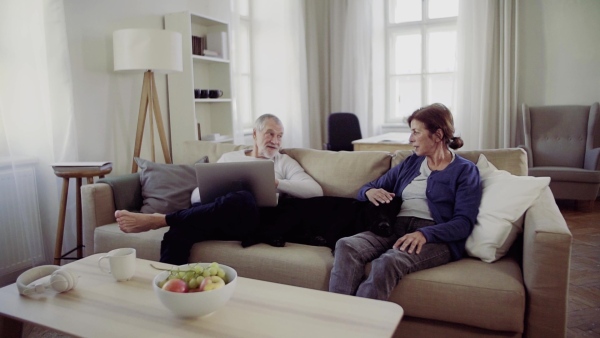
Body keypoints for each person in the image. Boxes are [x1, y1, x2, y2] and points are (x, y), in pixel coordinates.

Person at [115, 114, 323, 264]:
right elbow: (197, 195)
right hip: (217, 217)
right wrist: (208, 192)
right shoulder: (230, 158)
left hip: (252, 222)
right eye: (270, 134)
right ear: (254, 134)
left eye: (280, 135)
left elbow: (315, 191)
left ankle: (160, 219)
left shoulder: (283, 162)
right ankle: (170, 286)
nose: (276, 141)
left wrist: (277, 183)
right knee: (179, 231)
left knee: (242, 198)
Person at [328, 103, 482, 301]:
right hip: (395, 227)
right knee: (346, 245)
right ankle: (337, 316)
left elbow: (464, 223)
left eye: (416, 132)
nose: (410, 139)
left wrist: (424, 234)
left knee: (388, 262)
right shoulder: (411, 163)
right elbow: (367, 188)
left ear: (438, 135)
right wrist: (370, 192)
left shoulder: (465, 170)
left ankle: (362, 327)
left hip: (434, 236)